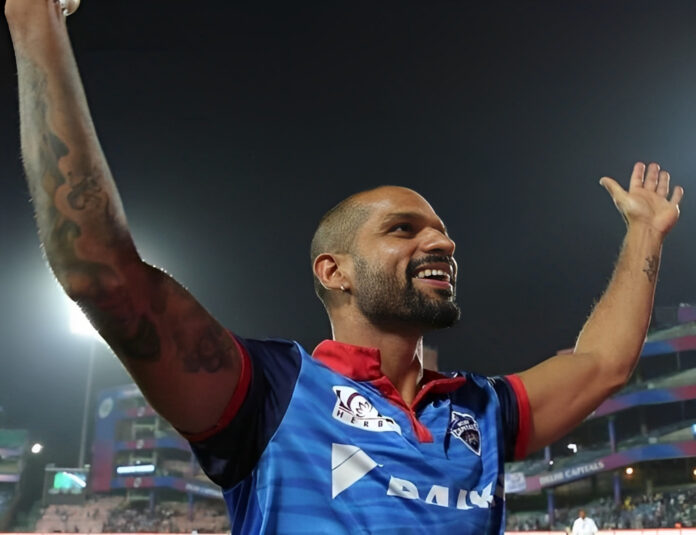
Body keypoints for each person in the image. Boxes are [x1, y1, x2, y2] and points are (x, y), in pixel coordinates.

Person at [5, 1, 684, 534]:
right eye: (403, 229)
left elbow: (602, 364)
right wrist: (36, 23)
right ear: (335, 271)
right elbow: (104, 274)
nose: (443, 243)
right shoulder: (269, 394)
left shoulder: (481, 410)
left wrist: (644, 234)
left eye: (444, 233)